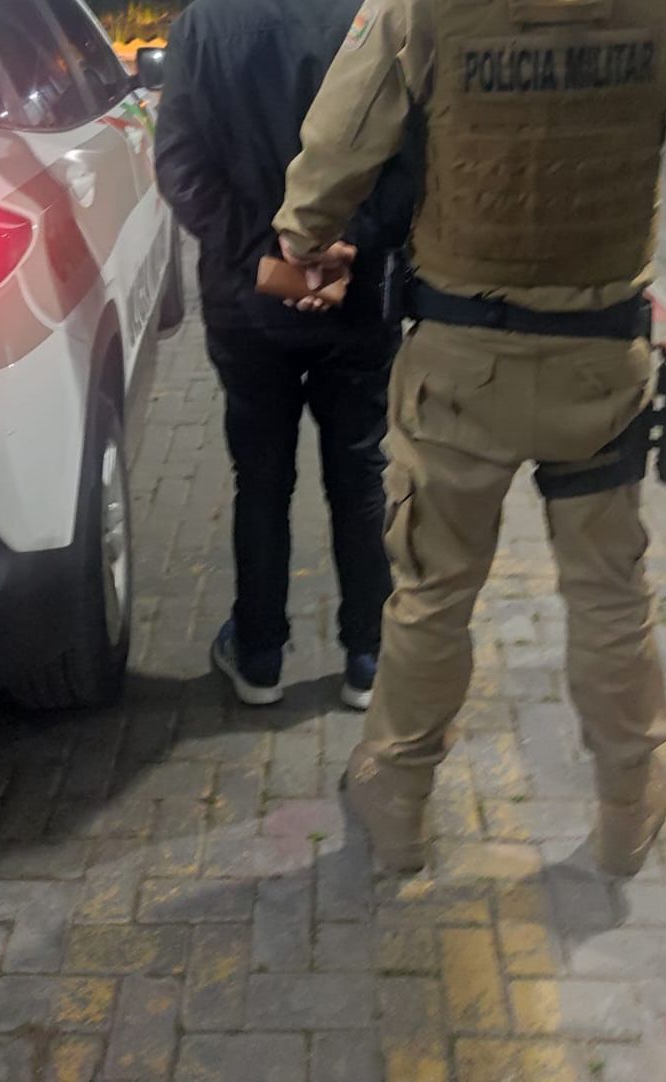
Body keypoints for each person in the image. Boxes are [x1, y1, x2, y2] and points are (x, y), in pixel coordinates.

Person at [275, 0, 666, 873]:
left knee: (433, 592)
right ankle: (627, 803)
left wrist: (302, 233)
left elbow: (343, 135)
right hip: (600, 369)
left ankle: (398, 800)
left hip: (457, 370)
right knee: (608, 592)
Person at [155, 0, 420, 710]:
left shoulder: (204, 24)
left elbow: (180, 166)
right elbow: (411, 158)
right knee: (360, 473)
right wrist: (342, 248)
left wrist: (272, 259)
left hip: (246, 302)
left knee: (262, 479)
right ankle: (368, 655)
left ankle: (260, 656)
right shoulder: (382, 13)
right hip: (358, 294)